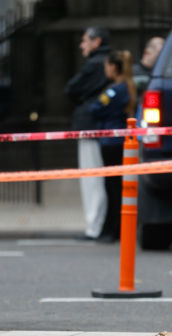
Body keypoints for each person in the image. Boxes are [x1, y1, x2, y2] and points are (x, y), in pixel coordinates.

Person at [64, 27, 111, 240]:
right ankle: (102, 225)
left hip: (90, 126)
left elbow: (71, 89)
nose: (81, 45)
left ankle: (95, 226)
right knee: (102, 179)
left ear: (96, 41)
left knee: (92, 178)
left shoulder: (94, 64)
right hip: (104, 127)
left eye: (85, 41)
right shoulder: (109, 61)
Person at [89, 50, 136, 241]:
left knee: (112, 187)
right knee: (116, 186)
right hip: (120, 141)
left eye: (107, 66)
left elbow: (95, 108)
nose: (105, 70)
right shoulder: (128, 87)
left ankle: (112, 230)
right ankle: (115, 229)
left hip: (110, 141)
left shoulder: (114, 90)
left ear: (114, 68)